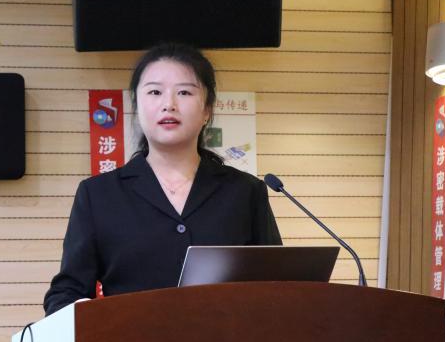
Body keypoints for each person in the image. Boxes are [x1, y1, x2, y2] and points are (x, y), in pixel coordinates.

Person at [43, 43, 281, 316]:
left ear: (207, 110)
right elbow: (66, 292)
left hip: (228, 341)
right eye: (155, 92)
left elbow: (277, 283)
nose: (169, 104)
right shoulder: (98, 194)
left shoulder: (245, 191)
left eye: (184, 92)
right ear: (137, 106)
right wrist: (82, 313)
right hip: (130, 340)